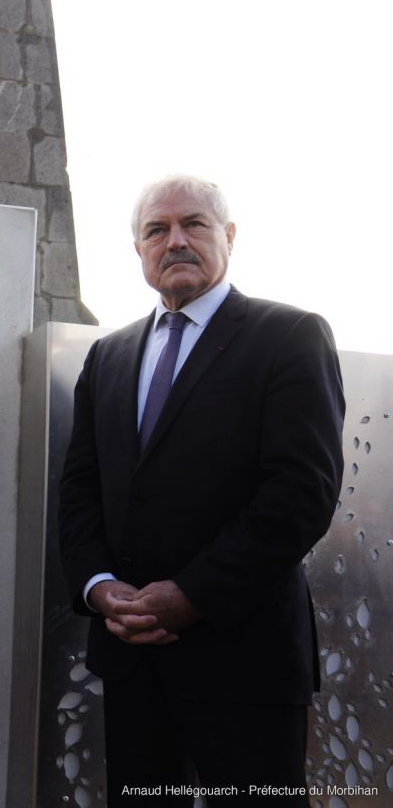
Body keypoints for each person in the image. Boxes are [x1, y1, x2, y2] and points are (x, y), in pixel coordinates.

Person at [58, 175, 344, 805]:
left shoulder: (290, 337)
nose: (176, 241)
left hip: (246, 664)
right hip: (132, 661)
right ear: (138, 250)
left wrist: (192, 594)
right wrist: (99, 588)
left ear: (229, 236)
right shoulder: (108, 356)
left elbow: (303, 492)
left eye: (194, 224)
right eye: (157, 230)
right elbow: (80, 490)